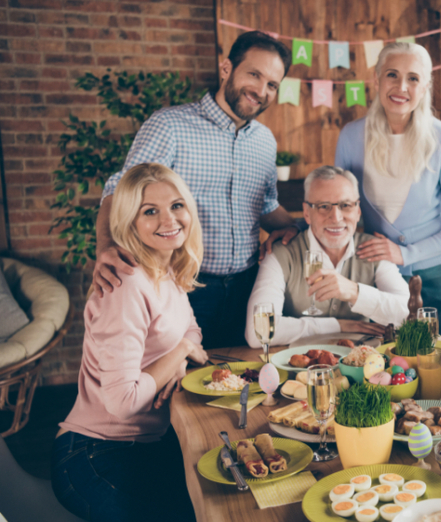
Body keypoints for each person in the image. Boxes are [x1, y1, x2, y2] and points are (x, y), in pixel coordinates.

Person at [93, 31, 297, 349]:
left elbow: (265, 205)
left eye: (272, 84)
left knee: (237, 384)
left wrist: (298, 229)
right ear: (227, 68)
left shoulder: (265, 141)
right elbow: (119, 191)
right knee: (179, 384)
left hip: (246, 286)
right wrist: (105, 246)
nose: (261, 90)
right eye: (254, 75)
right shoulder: (170, 126)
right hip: (183, 285)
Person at [53, 164, 208, 522]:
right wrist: (181, 354)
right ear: (128, 222)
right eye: (149, 211)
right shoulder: (127, 284)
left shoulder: (165, 271)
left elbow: (193, 331)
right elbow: (123, 403)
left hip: (143, 446)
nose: (169, 219)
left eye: (177, 205)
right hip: (94, 455)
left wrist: (178, 358)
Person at [333, 42, 441, 346]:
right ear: (376, 79)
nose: (402, 86)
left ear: (425, 86)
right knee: (391, 362)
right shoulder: (350, 137)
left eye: (413, 78)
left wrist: (406, 254)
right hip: (386, 275)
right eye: (392, 75)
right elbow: (340, 205)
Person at [245, 166, 409, 347]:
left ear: (358, 211)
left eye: (345, 205)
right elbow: (256, 332)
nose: (336, 217)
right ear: (307, 213)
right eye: (324, 207)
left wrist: (355, 292)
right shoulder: (280, 254)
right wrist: (338, 326)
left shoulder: (374, 249)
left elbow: (407, 314)